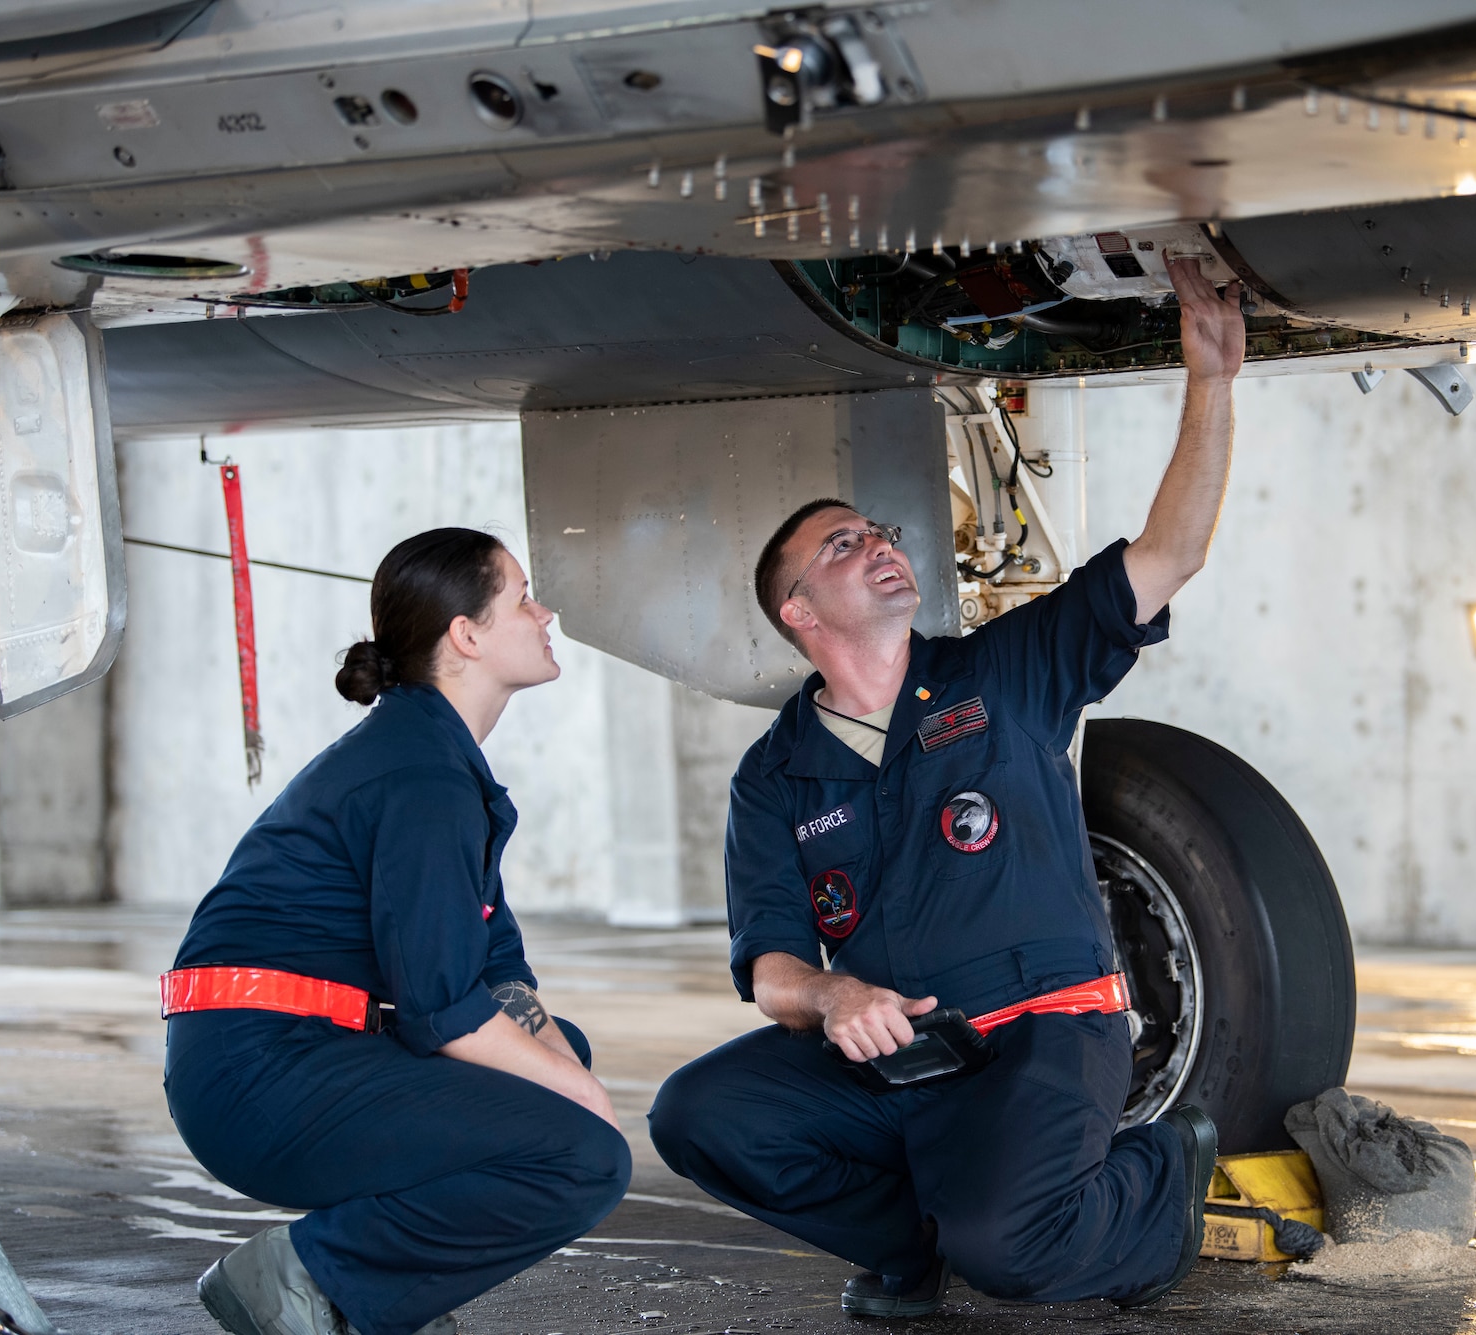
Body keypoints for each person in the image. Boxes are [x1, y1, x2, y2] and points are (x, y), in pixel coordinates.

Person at [648, 258, 1245, 1312]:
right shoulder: (775, 774)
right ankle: (904, 1245)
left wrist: (1210, 384)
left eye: (877, 531)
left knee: (1016, 1258)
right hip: (901, 1055)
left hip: (1043, 1033)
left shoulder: (1003, 672)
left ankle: (1159, 1181)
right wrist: (835, 997)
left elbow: (1169, 554)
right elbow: (774, 969)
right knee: (698, 1114)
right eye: (843, 544)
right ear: (798, 611)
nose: (878, 543)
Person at [161, 528, 629, 1335]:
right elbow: (442, 1008)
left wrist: (565, 1072)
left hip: (287, 1056)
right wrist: (586, 1106)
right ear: (466, 634)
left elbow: (495, 973)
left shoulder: (434, 757)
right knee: (583, 1153)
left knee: (558, 1060)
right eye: (522, 594)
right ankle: (311, 1275)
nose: (543, 610)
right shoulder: (421, 775)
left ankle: (375, 1286)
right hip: (256, 1076)